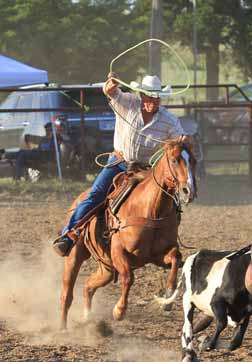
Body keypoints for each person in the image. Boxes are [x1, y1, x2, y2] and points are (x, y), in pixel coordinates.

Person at [51, 73, 190, 257]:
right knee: (96, 194)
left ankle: (167, 239)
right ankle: (68, 236)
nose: (153, 101)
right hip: (119, 162)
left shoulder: (168, 120)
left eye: (156, 97)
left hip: (146, 169)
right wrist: (111, 84)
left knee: (169, 200)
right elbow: (110, 91)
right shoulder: (128, 103)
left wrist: (183, 140)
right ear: (141, 95)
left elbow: (180, 140)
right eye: (149, 96)